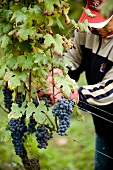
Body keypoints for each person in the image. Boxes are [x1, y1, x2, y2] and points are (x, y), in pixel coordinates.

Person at [38, 0, 113, 169]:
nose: (96, 28)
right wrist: (57, 73)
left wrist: (78, 95)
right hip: (103, 127)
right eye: (94, 22)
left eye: (103, 23)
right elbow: (72, 57)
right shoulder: (87, 29)